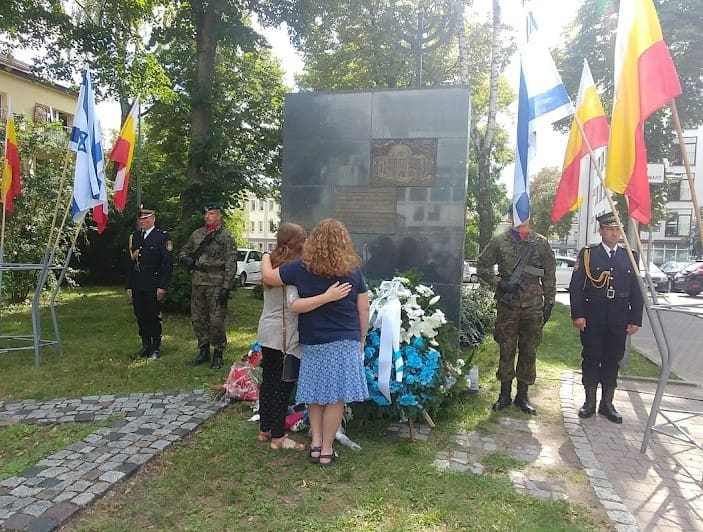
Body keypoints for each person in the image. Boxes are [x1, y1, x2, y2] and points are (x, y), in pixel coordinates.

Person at [262, 218, 369, 467]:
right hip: (344, 340)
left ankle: (316, 445)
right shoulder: (353, 271)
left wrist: (267, 256)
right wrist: (362, 338)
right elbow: (363, 307)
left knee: (316, 396)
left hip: (313, 340)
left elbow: (268, 276)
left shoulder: (301, 268)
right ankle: (327, 451)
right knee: (335, 399)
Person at [477, 208, 556, 415]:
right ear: (510, 217)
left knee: (529, 350)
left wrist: (549, 302)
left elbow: (549, 274)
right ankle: (504, 394)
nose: (520, 218)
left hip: (533, 305)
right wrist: (500, 284)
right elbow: (482, 266)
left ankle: (523, 395)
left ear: (530, 216)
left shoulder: (541, 243)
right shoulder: (499, 241)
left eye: (524, 213)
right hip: (508, 305)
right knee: (507, 348)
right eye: (515, 214)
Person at [569, 211, 644, 423]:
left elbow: (637, 290)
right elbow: (576, 287)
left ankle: (607, 404)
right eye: (609, 229)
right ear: (601, 231)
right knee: (592, 357)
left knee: (613, 359)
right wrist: (578, 314)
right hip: (593, 315)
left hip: (619, 316)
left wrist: (636, 318)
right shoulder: (588, 254)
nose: (614, 233)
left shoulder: (630, 256)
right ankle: (589, 402)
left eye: (617, 229)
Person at [179, 201, 237, 370]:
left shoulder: (225, 237)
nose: (207, 216)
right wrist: (185, 259)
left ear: (218, 215)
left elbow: (231, 262)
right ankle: (203, 351)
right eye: (206, 214)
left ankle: (218, 352)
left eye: (211, 214)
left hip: (217, 282)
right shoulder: (197, 234)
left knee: (216, 320)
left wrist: (227, 286)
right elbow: (184, 250)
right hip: (198, 280)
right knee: (199, 318)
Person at [126, 203, 173, 360]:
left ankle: (155, 347)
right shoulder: (136, 236)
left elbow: (167, 264)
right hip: (138, 282)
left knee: (153, 316)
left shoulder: (161, 237)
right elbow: (131, 263)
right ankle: (145, 345)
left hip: (153, 282)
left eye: (145, 218)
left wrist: (162, 286)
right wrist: (129, 285)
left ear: (153, 218)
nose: (142, 221)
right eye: (140, 219)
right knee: (141, 315)